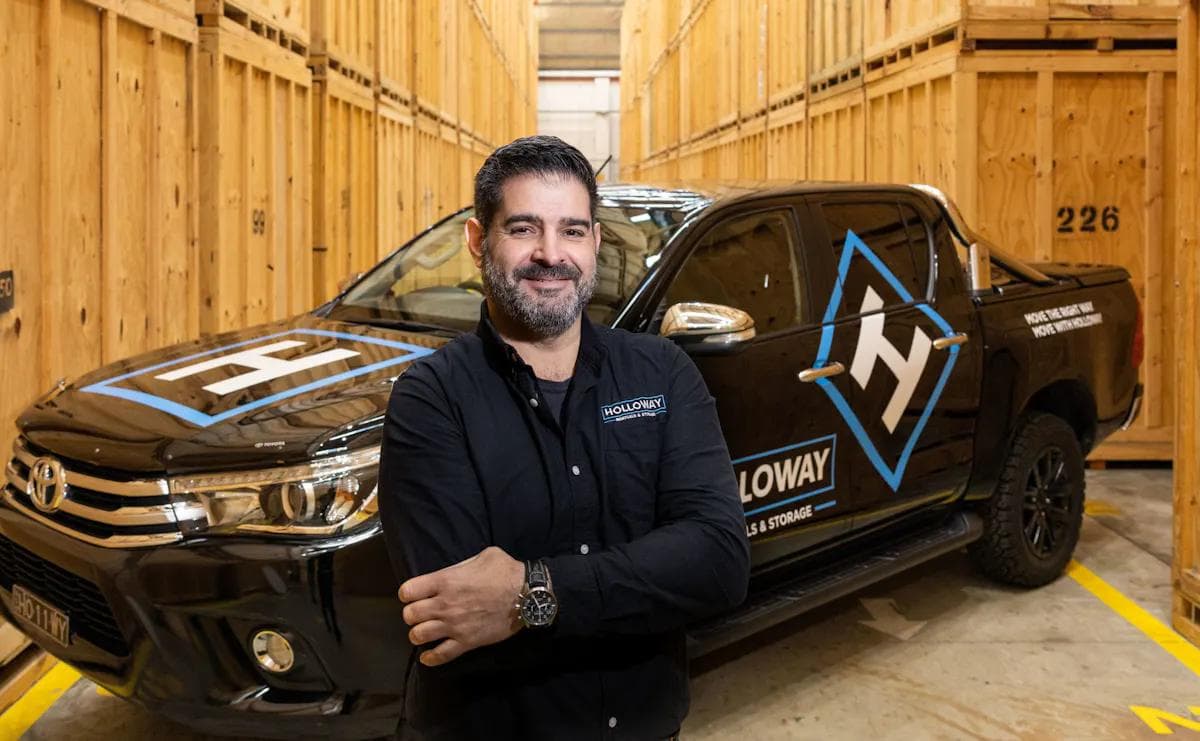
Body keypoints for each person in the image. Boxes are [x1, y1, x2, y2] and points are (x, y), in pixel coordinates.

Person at [378, 135, 750, 740]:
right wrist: (642, 586)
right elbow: (458, 620)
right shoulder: (431, 397)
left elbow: (719, 564)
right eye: (524, 228)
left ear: (596, 243)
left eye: (573, 231)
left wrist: (531, 594)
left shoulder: (662, 372)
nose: (552, 254)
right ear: (479, 242)